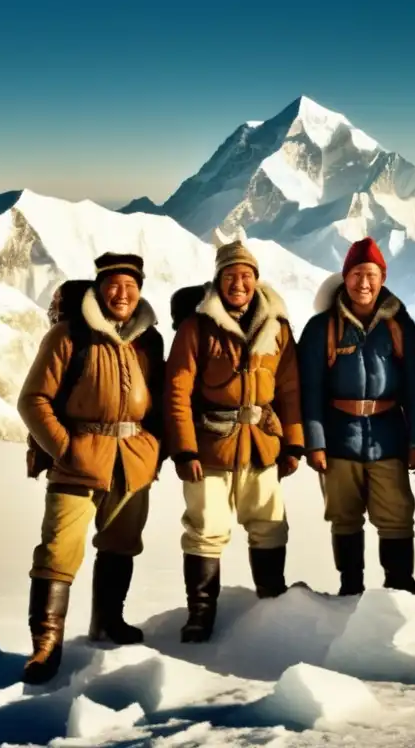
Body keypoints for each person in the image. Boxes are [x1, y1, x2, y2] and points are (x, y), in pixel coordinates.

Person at [18, 252, 165, 685]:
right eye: (113, 286)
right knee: (58, 552)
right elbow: (33, 400)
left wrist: (153, 448)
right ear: (99, 290)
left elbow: (161, 399)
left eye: (130, 286)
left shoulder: (148, 341)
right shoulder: (69, 335)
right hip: (79, 461)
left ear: (140, 291)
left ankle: (108, 622)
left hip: (132, 461)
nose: (122, 294)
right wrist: (64, 449)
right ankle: (45, 645)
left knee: (121, 544)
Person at [165, 240, 304, 643]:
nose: (238, 283)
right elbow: (177, 390)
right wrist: (184, 449)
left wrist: (293, 443)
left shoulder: (277, 329)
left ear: (256, 280)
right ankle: (201, 613)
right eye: (230, 276)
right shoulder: (197, 326)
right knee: (206, 527)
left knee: (268, 524)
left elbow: (289, 388)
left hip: (262, 443)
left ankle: (271, 601)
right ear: (218, 280)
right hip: (210, 445)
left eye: (245, 275)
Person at [298, 237, 415, 597]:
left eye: (371, 275)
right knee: (344, 517)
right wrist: (315, 443)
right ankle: (350, 585)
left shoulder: (399, 326)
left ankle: (399, 585)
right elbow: (308, 389)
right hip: (339, 438)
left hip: (389, 436)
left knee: (397, 516)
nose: (363, 283)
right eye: (357, 274)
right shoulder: (321, 328)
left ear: (383, 277)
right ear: (345, 277)